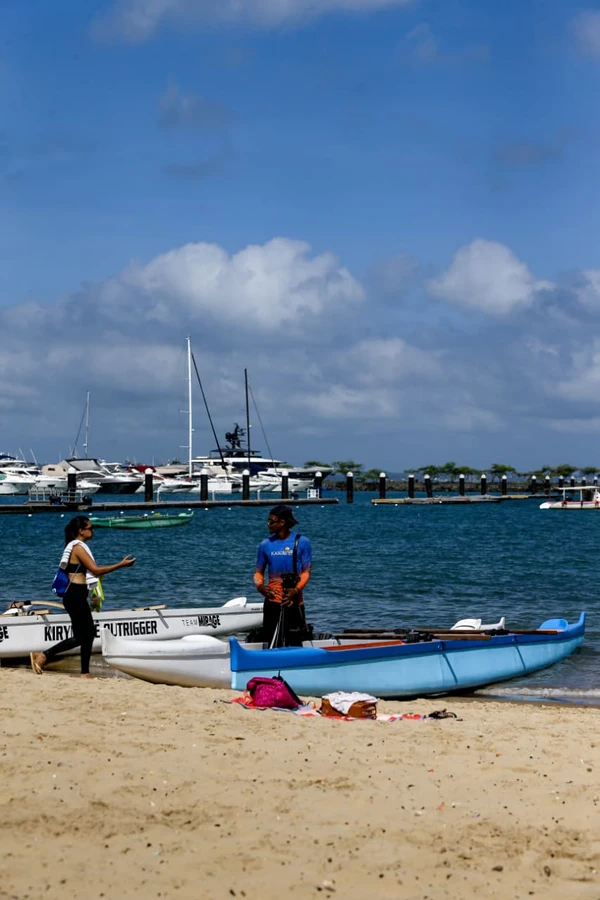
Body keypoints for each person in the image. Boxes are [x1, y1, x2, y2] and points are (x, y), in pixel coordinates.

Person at [30, 516, 136, 678]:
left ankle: (84, 672)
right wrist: (120, 565)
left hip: (76, 594)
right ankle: (44, 655)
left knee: (88, 634)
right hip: (74, 595)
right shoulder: (78, 548)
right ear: (81, 531)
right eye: (90, 528)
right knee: (83, 635)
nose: (92, 531)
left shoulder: (78, 546)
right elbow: (96, 570)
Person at [253, 504, 312, 647]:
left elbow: (306, 572)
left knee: (294, 643)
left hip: (293, 601)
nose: (268, 524)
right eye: (268, 521)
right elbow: (258, 572)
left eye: (271, 521)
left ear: (282, 522)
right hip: (272, 603)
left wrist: (296, 590)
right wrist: (260, 586)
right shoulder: (265, 545)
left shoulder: (302, 542)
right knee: (272, 642)